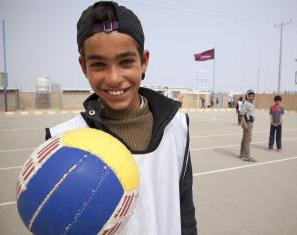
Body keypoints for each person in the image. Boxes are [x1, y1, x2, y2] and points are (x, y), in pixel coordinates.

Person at [45, 2, 197, 234]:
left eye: (126, 61)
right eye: (98, 64)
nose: (114, 78)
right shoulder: (63, 141)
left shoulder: (177, 126)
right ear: (83, 66)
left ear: (144, 60)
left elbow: (184, 210)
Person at [239, 90, 256, 162]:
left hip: (249, 122)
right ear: (247, 96)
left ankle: (242, 154)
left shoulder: (250, 103)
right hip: (247, 123)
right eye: (250, 96)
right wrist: (245, 124)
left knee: (244, 139)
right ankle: (247, 156)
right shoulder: (246, 103)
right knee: (248, 139)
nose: (252, 97)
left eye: (253, 96)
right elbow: (241, 114)